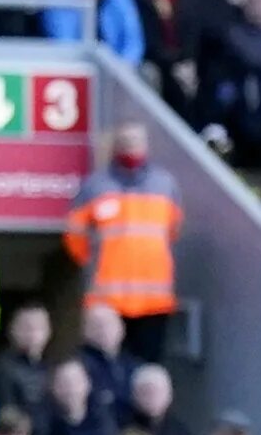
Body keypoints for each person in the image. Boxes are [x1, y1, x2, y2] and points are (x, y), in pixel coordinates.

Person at [62, 124, 182, 364]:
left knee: (148, 370)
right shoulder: (95, 186)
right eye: (125, 141)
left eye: (136, 141)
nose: (131, 147)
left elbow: (173, 231)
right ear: (115, 145)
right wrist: (94, 265)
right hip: (108, 302)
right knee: (105, 369)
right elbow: (74, 235)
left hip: (153, 302)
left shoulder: (165, 185)